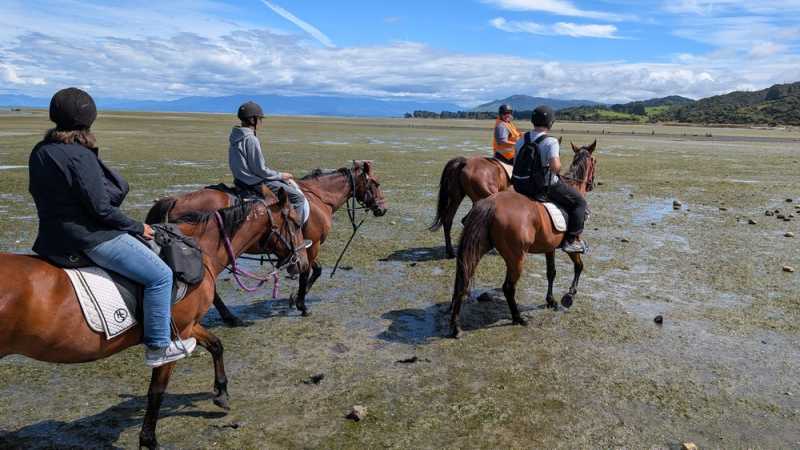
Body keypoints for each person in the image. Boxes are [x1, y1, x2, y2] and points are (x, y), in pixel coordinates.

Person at [28, 87, 196, 367]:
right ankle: (158, 346)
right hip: (89, 238)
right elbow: (102, 209)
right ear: (89, 119)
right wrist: (136, 226)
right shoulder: (79, 155)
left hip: (50, 238)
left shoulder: (41, 150)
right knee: (161, 276)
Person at [511, 105, 587, 253]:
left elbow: (515, 163)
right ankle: (571, 241)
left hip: (520, 186)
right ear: (550, 122)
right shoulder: (551, 142)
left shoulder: (521, 140)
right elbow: (555, 167)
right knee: (579, 202)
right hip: (542, 186)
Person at [228, 101, 311, 228]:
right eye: (259, 119)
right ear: (252, 119)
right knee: (297, 197)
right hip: (254, 183)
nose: (261, 122)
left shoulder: (235, 136)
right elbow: (260, 170)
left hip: (240, 181)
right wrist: (281, 175)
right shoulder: (250, 139)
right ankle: (294, 234)